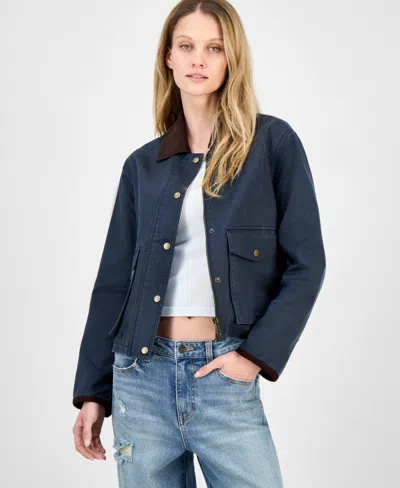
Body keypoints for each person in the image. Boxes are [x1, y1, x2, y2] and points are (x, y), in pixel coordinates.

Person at [72, 1, 326, 486]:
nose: (199, 60)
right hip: (139, 379)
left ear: (233, 58)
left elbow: (307, 264)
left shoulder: (272, 144)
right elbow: (113, 284)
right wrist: (93, 392)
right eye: (186, 46)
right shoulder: (142, 166)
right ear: (168, 56)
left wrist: (254, 356)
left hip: (223, 375)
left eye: (214, 48)